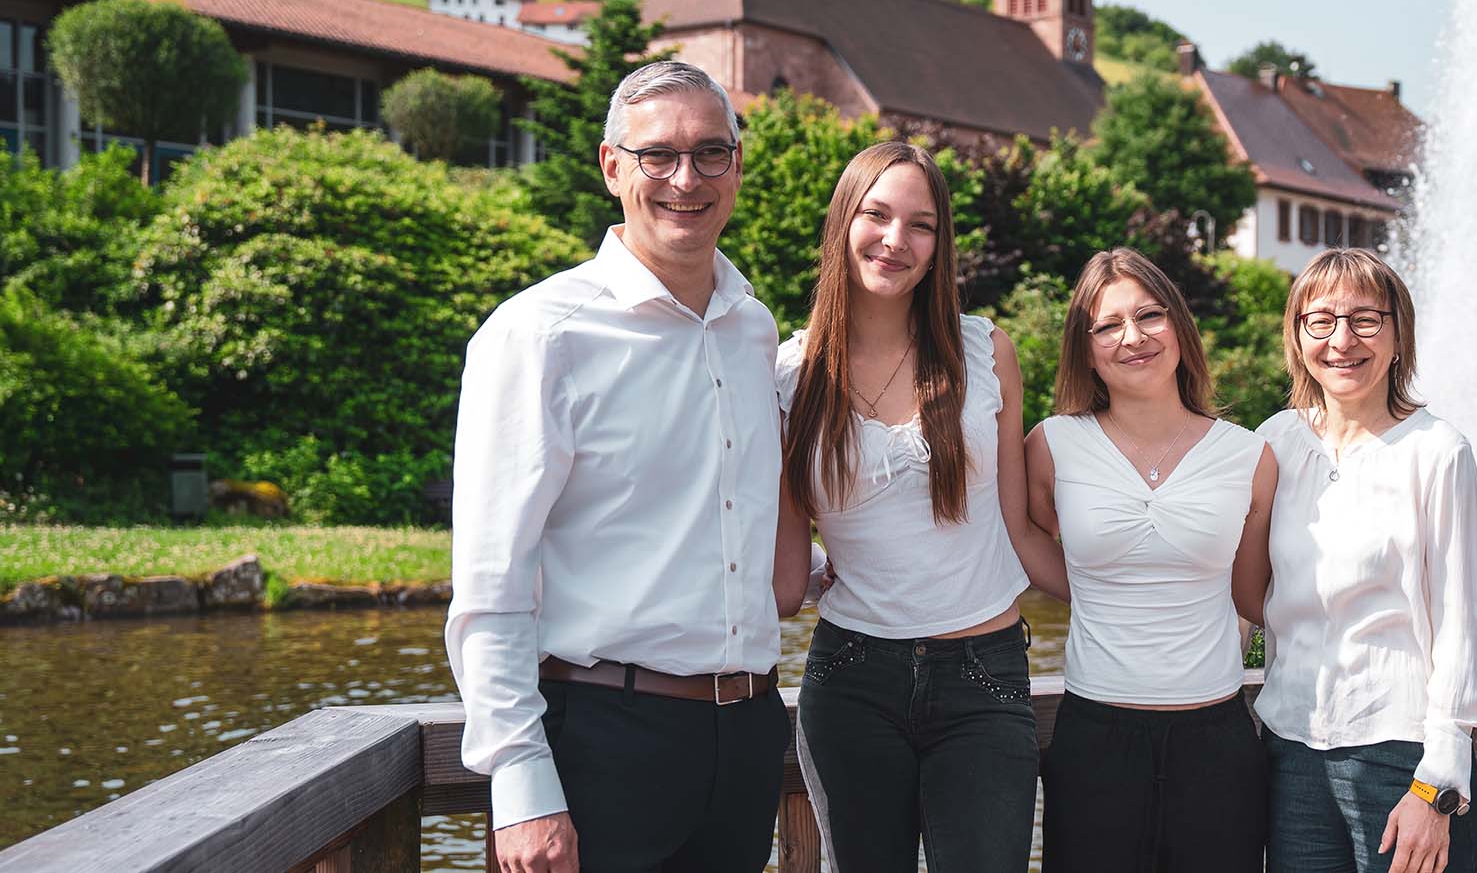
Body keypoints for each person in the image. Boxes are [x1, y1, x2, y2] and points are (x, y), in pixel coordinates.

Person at [446, 61, 789, 873]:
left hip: (745, 738)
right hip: (604, 740)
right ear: (611, 167)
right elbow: (491, 583)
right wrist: (522, 783)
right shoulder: (540, 335)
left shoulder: (752, 329)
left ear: (736, 166)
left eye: (711, 153)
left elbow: (724, 525)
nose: (686, 178)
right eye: (657, 156)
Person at [772, 140, 1063, 873]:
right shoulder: (790, 372)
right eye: (876, 214)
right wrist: (805, 573)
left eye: (921, 224)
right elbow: (778, 551)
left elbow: (1019, 522)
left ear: (940, 245)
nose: (895, 240)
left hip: (984, 674)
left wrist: (1139, 592)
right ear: (843, 222)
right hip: (849, 677)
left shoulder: (983, 351)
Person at [1023, 248, 1276, 873]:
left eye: (1149, 316)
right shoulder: (1052, 444)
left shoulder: (1250, 456)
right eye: (1108, 325)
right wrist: (1093, 589)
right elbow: (1025, 536)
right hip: (1094, 738)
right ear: (1085, 350)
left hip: (1217, 738)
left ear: (1180, 330)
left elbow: (1252, 594)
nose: (1132, 338)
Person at [1254, 248, 1477, 873]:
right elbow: (1245, 589)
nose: (1342, 340)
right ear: (1298, 334)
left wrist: (1436, 785)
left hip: (1403, 753)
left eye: (1365, 319)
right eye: (1321, 320)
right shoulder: (1276, 442)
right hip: (1291, 748)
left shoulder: (1437, 451)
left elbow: (1461, 623)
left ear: (1396, 334)